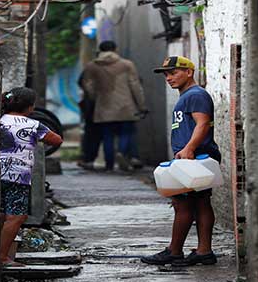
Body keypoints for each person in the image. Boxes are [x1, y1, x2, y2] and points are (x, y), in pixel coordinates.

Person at [141, 56, 221, 266]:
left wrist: (189, 148)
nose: (169, 78)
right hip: (195, 157)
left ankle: (174, 251)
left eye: (174, 72)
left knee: (182, 204)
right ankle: (204, 251)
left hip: (194, 158)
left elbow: (202, 124)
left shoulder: (195, 95)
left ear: (189, 72)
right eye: (166, 74)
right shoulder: (188, 96)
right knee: (202, 203)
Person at [0, 87, 63, 266]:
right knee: (17, 217)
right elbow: (57, 139)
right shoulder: (32, 125)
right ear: (29, 108)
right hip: (18, 176)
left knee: (2, 214)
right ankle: (3, 257)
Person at [81, 40, 146, 171]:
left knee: (107, 136)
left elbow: (88, 86)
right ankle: (121, 153)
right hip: (125, 106)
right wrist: (141, 105)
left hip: (104, 105)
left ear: (100, 50)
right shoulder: (127, 65)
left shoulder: (92, 66)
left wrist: (96, 98)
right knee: (126, 132)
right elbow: (135, 86)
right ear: (115, 49)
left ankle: (109, 164)